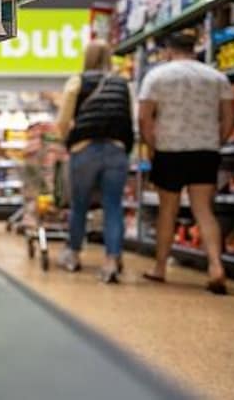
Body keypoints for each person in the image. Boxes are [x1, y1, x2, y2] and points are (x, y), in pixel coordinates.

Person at [139, 32, 234, 295]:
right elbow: (228, 117)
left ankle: (160, 268)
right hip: (205, 150)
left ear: (168, 51)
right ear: (194, 49)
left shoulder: (156, 77)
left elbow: (144, 118)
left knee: (167, 211)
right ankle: (216, 266)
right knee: (203, 210)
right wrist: (217, 142)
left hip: (170, 150)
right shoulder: (217, 77)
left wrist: (152, 147)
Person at [56, 40, 134, 283]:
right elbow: (128, 120)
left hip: (85, 149)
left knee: (79, 205)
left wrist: (67, 140)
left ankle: (74, 255)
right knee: (113, 205)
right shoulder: (123, 84)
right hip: (116, 150)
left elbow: (63, 121)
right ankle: (111, 261)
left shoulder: (77, 81)